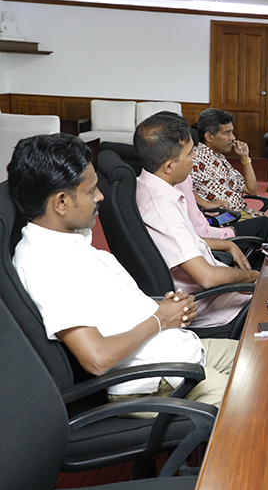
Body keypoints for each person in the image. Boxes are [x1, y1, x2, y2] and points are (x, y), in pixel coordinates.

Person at [8, 133, 237, 408]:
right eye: (91, 190)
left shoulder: (70, 242)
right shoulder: (47, 263)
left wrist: (164, 308)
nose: (100, 196)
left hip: (178, 351)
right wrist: (161, 319)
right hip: (160, 381)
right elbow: (97, 358)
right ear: (61, 202)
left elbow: (111, 311)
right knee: (260, 396)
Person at [134, 111, 259, 329]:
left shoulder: (149, 186)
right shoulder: (162, 210)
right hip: (218, 308)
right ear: (169, 166)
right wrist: (254, 276)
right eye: (190, 154)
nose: (194, 159)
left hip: (220, 293)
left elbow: (185, 240)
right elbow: (208, 278)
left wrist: (227, 244)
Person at [191, 108, 268, 242]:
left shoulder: (220, 157)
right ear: (209, 137)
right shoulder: (194, 158)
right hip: (223, 219)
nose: (233, 138)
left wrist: (245, 158)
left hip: (240, 214)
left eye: (232, 132)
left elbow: (251, 190)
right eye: (227, 133)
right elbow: (177, 185)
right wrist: (204, 203)